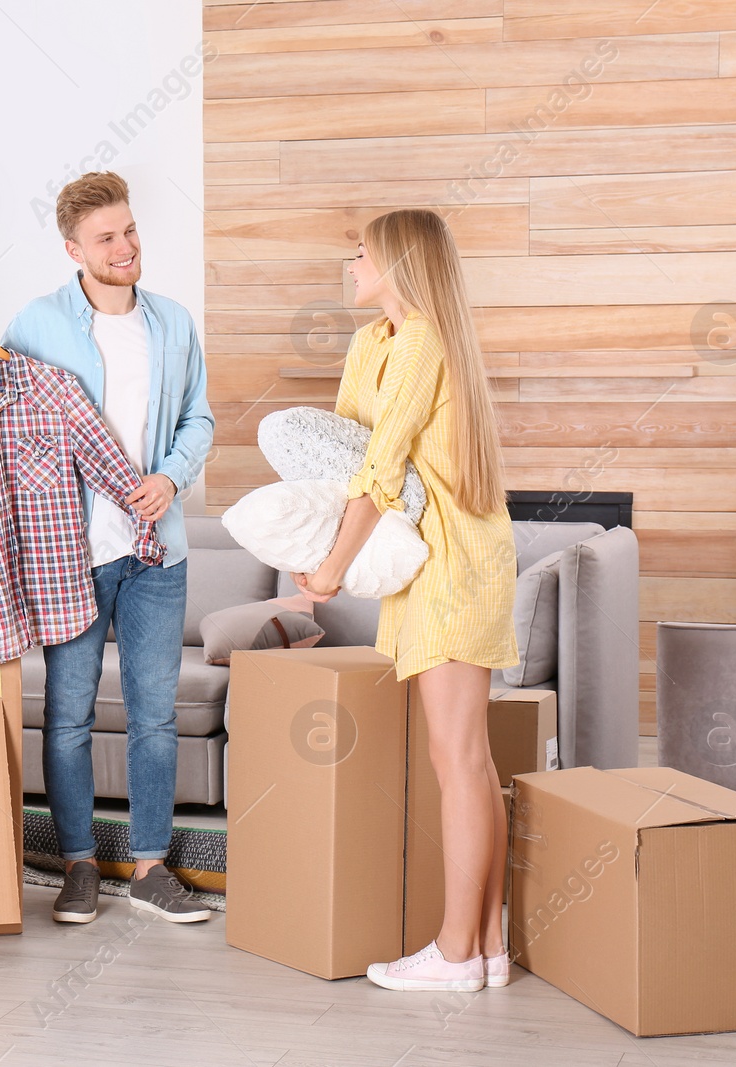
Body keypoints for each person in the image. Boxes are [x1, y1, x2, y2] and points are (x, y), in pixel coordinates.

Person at [0, 171, 216, 925]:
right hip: (71, 556)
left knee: (153, 716)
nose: (126, 247)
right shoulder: (37, 322)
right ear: (74, 249)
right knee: (67, 717)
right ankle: (77, 866)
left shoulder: (172, 323)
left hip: (159, 549)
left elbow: (200, 419)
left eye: (130, 231)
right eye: (107, 238)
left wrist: (170, 474)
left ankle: (152, 867)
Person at [295, 208, 519, 993]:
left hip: (456, 564)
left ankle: (456, 953)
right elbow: (348, 444)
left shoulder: (424, 337)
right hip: (432, 563)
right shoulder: (378, 342)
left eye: (363, 254)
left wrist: (327, 571)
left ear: (400, 264)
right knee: (468, 758)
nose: (352, 264)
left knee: (454, 758)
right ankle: (487, 944)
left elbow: (381, 470)